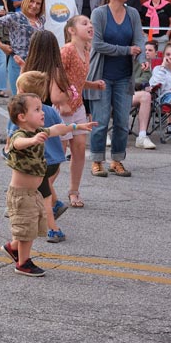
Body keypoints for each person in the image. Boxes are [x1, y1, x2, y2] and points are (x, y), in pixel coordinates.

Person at [1, 92, 95, 276]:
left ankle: (12, 247)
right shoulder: (20, 135)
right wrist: (32, 140)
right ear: (22, 117)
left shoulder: (39, 131)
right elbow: (18, 143)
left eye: (41, 108)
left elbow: (57, 129)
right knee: (26, 229)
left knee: (33, 225)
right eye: (37, 110)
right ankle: (23, 263)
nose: (42, 112)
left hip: (33, 192)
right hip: (20, 194)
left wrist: (76, 126)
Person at [85, 0, 145, 178]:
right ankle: (96, 160)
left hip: (124, 76)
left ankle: (117, 161)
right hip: (101, 76)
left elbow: (139, 39)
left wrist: (142, 58)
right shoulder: (99, 13)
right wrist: (127, 50)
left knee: (121, 122)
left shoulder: (133, 13)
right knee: (100, 121)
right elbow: (97, 44)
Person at [10, 71, 70, 243]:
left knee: (43, 197)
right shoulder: (50, 110)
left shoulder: (22, 116)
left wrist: (9, 149)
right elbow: (60, 130)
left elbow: (14, 138)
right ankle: (57, 203)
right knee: (45, 188)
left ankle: (54, 229)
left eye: (17, 89)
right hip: (55, 161)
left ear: (23, 93)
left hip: (40, 163)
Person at [59, 16, 109, 208]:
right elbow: (56, 76)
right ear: (71, 30)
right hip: (63, 108)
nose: (90, 26)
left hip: (78, 105)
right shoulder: (67, 50)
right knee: (58, 154)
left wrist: (92, 85)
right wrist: (62, 102)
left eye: (91, 23)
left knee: (79, 149)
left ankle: (74, 191)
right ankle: (43, 192)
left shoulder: (87, 50)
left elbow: (76, 80)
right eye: (84, 23)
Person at [0, 0, 46, 97]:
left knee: (36, 99)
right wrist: (0, 45)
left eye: (38, 3)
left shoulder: (41, 20)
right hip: (18, 64)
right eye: (32, 1)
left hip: (37, 65)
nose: (34, 5)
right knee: (20, 99)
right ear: (26, 1)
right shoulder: (16, 17)